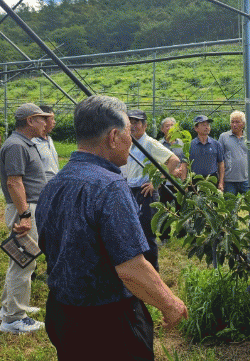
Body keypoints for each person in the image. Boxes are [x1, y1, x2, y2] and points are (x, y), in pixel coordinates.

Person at [36, 95, 187, 361]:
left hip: (62, 313)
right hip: (107, 322)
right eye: (128, 131)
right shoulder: (110, 187)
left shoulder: (55, 184)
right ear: (114, 136)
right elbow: (130, 267)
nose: (132, 140)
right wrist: (170, 303)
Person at [0, 103, 52, 334]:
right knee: (24, 262)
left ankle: (9, 308)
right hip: (25, 209)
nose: (45, 123)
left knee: (21, 261)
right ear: (29, 121)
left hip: (27, 208)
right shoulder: (17, 145)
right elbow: (14, 182)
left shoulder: (23, 143)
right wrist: (25, 215)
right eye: (41, 119)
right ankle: (14, 319)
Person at [120, 109, 180, 271]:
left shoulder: (149, 143)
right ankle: (139, 269)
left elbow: (173, 160)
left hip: (145, 192)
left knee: (147, 234)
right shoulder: (130, 142)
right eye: (130, 123)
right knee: (132, 232)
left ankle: (153, 270)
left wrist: (156, 182)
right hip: (130, 190)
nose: (133, 126)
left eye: (137, 122)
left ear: (145, 125)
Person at [158, 117, 188, 242]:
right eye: (167, 126)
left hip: (179, 181)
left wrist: (184, 180)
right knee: (165, 209)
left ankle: (182, 233)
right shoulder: (159, 144)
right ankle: (164, 236)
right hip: (165, 182)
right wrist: (170, 171)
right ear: (162, 129)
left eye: (172, 125)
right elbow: (157, 162)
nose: (170, 128)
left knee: (181, 208)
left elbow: (185, 161)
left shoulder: (182, 143)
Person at [219, 110, 250, 194]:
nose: (234, 125)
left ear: (243, 124)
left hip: (247, 179)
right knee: (230, 201)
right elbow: (219, 159)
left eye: (237, 122)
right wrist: (221, 180)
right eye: (232, 122)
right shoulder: (224, 137)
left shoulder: (249, 138)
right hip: (229, 180)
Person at [189, 115, 224, 191]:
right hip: (195, 181)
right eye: (203, 125)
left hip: (212, 179)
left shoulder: (216, 144)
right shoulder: (190, 145)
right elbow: (185, 164)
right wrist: (185, 182)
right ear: (196, 128)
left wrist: (221, 182)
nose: (206, 127)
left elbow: (221, 163)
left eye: (208, 125)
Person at [31, 105, 59, 181]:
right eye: (52, 119)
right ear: (43, 120)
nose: (54, 122)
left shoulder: (49, 140)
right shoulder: (33, 142)